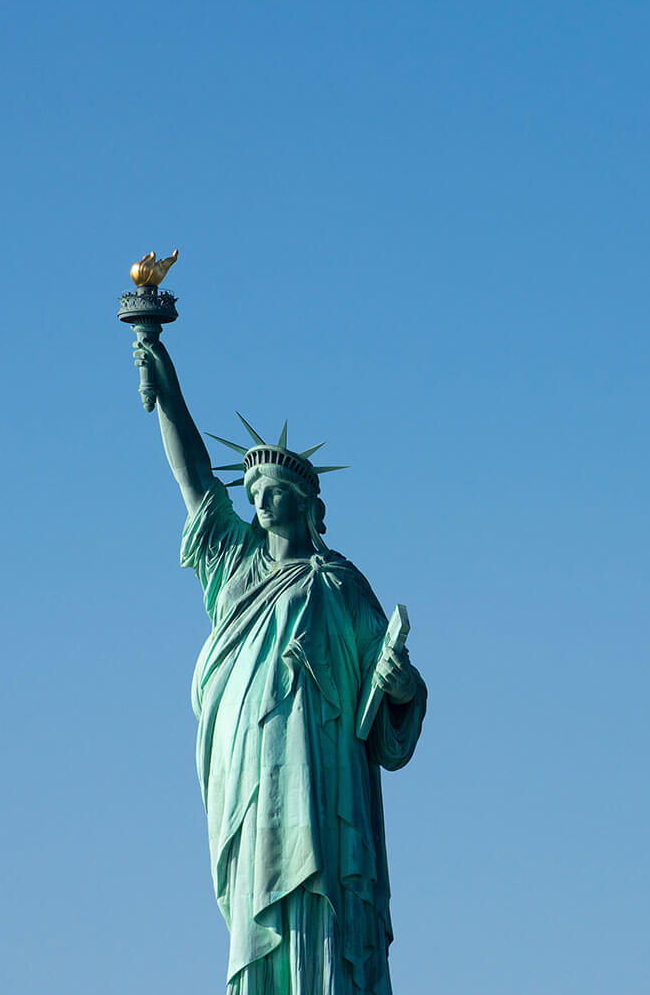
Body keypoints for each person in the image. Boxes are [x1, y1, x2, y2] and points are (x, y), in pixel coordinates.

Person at [134, 337, 427, 995]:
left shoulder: (339, 585)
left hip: (324, 780)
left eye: (273, 491)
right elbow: (195, 480)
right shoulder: (234, 566)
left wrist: (399, 685)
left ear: (305, 503)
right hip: (252, 770)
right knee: (261, 892)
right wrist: (167, 388)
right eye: (255, 491)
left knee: (320, 884)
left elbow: (392, 695)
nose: (260, 501)